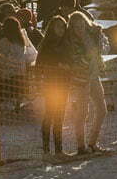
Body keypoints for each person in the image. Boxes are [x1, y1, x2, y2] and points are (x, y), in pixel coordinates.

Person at [67, 10, 106, 155]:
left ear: (85, 23)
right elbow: (77, 60)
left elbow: (101, 50)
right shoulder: (71, 41)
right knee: (82, 113)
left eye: (81, 25)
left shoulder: (92, 35)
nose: (79, 29)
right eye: (76, 26)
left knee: (102, 109)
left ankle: (92, 143)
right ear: (71, 28)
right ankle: (81, 147)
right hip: (80, 79)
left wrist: (99, 37)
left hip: (94, 76)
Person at [35, 15, 74, 157]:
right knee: (50, 115)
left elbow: (71, 61)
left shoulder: (66, 44)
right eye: (58, 26)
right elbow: (40, 65)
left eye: (63, 26)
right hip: (51, 84)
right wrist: (57, 66)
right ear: (52, 28)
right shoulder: (47, 45)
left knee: (60, 116)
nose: (61, 29)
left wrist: (69, 67)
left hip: (64, 84)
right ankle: (46, 149)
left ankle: (59, 149)